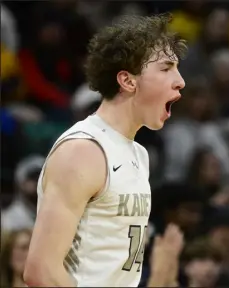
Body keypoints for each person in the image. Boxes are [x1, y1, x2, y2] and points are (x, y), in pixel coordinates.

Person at [24, 13, 186, 287]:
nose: (180, 81)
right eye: (166, 68)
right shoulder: (84, 150)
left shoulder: (138, 154)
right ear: (128, 81)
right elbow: (42, 272)